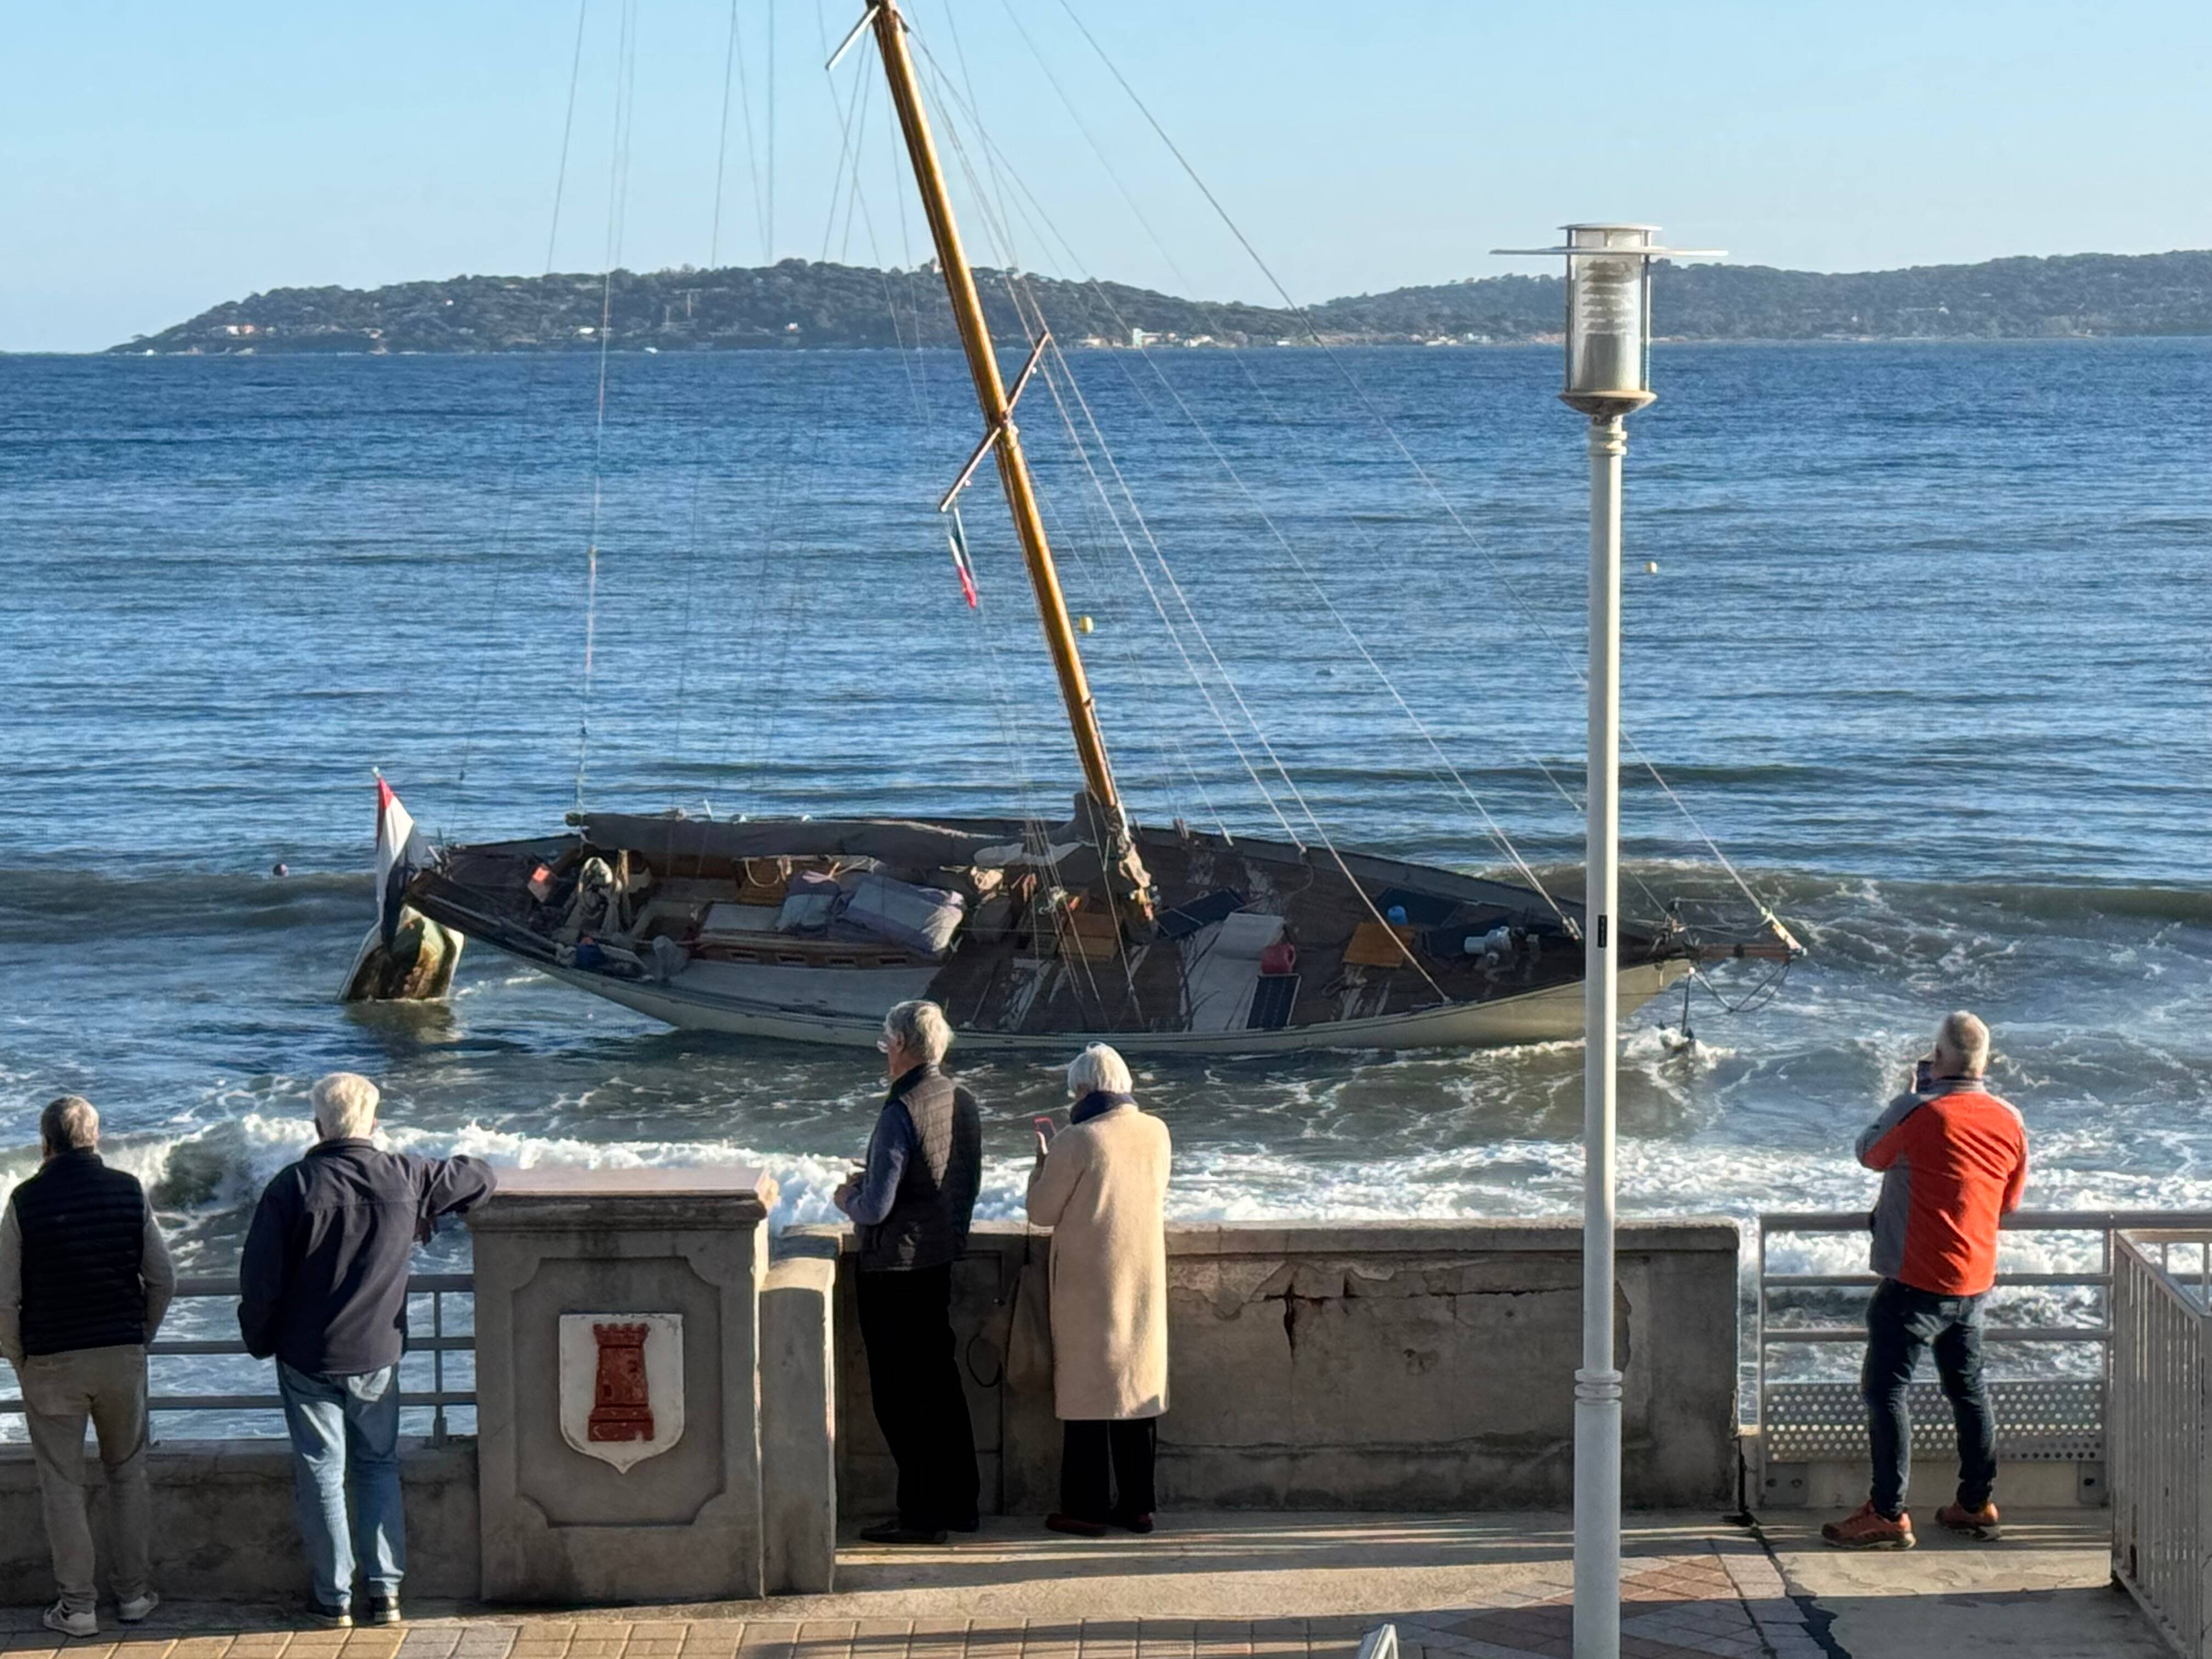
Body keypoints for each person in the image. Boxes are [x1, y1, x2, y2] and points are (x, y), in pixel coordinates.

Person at [239, 1073, 496, 1626]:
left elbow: (260, 1282)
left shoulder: (292, 1186)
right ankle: (386, 1593)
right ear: (374, 1123)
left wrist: (260, 1341)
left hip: (307, 1355)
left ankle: (333, 1600)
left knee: (321, 1474)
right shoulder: (405, 1175)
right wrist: (422, 1216)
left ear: (317, 1125)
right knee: (378, 1465)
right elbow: (477, 1175)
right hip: (379, 1350)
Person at [1822, 1011, 2028, 1550]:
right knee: (1969, 1391)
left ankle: (1888, 1512)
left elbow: (1869, 1153)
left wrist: (1909, 1097)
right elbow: (2008, 1199)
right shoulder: (2009, 1118)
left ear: (1937, 1060)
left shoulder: (1917, 1110)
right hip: (1974, 1280)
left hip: (1915, 1279)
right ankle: (1975, 1504)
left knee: (1886, 1391)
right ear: (1986, 1063)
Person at [0, 1096, 176, 1637]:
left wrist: (17, 1356)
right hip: (120, 1357)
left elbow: (5, 1297)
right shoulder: (127, 1189)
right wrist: (139, 1337)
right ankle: (134, 1596)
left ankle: (77, 1608)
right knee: (128, 1475)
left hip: (52, 1362)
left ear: (46, 1142)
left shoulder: (25, 1200)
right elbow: (163, 1279)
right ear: (94, 1138)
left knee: (63, 1486)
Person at [833, 999, 983, 1545]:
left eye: (884, 1045)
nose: (884, 1055)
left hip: (894, 1269)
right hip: (939, 1259)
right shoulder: (960, 1099)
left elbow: (875, 1208)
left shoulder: (901, 1110)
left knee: (900, 1397)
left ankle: (921, 1514)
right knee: (941, 1388)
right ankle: (962, 1503)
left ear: (900, 1046)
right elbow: (964, 1179)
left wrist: (847, 1194)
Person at [1026, 1042, 1172, 1538]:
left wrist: (1040, 1165)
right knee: (1135, 1394)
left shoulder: (1077, 1139)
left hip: (1089, 1283)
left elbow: (1042, 1212)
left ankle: (1085, 1509)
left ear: (1085, 1090)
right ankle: (1138, 1507)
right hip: (1143, 1278)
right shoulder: (1157, 1132)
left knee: (1087, 1397)